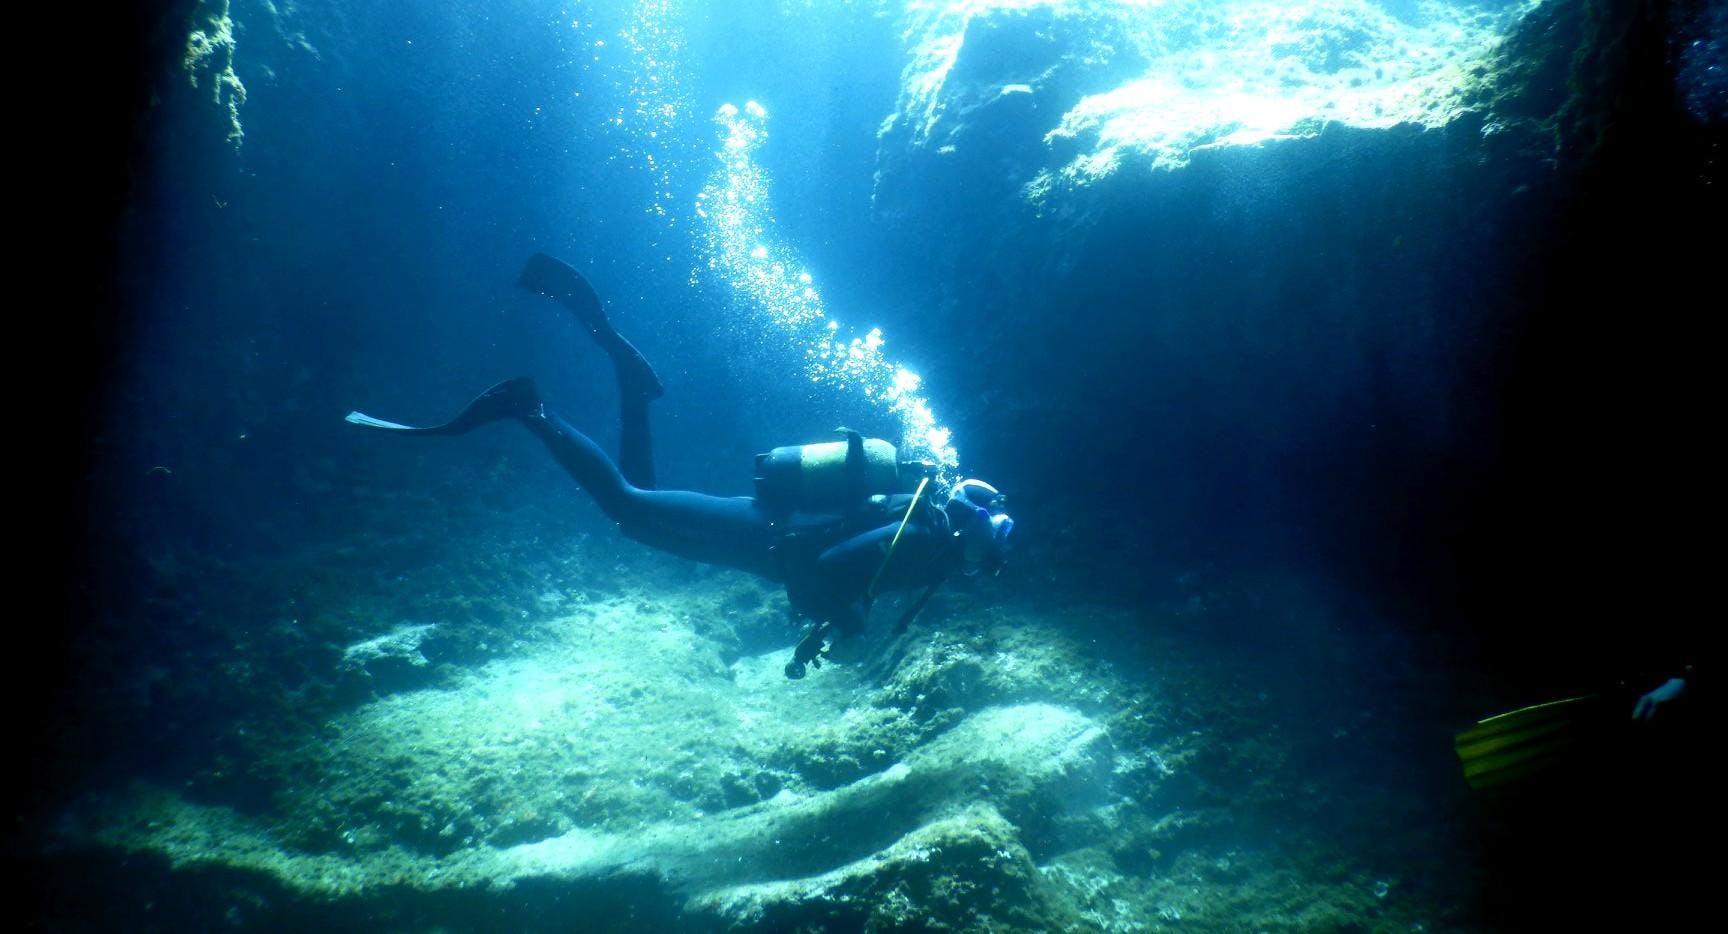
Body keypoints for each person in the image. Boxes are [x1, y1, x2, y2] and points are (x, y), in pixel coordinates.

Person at [347, 254, 1014, 678]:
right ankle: (530, 408)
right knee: (626, 507)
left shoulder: (924, 524)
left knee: (635, 508)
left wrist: (834, 616)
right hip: (764, 535)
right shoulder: (925, 542)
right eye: (987, 559)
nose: (980, 570)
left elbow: (843, 567)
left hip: (767, 538)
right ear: (974, 541)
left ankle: (632, 386)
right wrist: (844, 623)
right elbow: (833, 567)